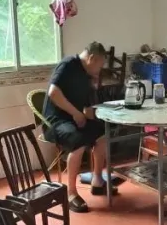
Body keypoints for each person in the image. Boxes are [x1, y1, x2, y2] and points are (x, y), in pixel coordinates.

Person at [44, 42, 115, 213]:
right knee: (79, 140)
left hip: (74, 119)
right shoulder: (68, 65)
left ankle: (97, 180)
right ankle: (71, 193)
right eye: (100, 65)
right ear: (92, 58)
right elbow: (53, 92)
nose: (100, 69)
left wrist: (96, 117)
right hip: (56, 121)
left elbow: (86, 107)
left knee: (102, 133)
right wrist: (75, 113)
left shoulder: (86, 74)